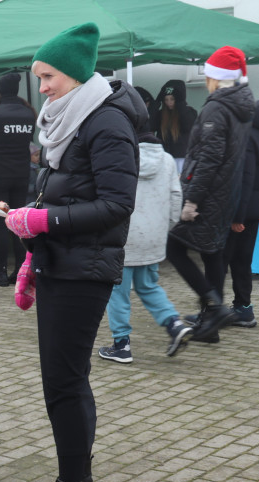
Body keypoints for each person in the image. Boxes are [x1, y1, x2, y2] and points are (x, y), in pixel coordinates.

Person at [2, 22, 144, 482]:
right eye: (38, 77)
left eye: (48, 77)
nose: (41, 88)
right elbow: (66, 194)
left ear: (77, 75)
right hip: (65, 263)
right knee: (65, 381)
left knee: (64, 384)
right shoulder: (73, 118)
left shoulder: (104, 123)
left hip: (85, 269)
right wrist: (32, 236)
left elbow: (115, 206)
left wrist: (41, 223)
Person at [166, 46, 255, 342]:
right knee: (212, 252)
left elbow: (209, 159)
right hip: (226, 195)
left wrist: (192, 200)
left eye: (208, 73)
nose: (206, 79)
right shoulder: (241, 106)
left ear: (217, 77)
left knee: (174, 248)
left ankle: (213, 307)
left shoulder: (216, 108)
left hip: (207, 196)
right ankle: (210, 323)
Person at [98, 129, 191, 362]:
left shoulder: (119, 157)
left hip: (123, 237)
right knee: (149, 287)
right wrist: (165, 229)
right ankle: (175, 324)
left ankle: (121, 345)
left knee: (117, 293)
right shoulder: (168, 160)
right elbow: (176, 197)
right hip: (154, 238)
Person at [0, 73, 37, 286]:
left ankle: (2, 273)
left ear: (0, 90)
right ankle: (19, 272)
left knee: (1, 222)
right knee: (18, 222)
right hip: (21, 174)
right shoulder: (29, 114)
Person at [222, 99, 259, 328]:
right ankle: (244, 308)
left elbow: (246, 178)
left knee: (223, 260)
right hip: (255, 211)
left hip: (242, 212)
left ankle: (215, 310)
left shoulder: (248, 136)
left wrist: (237, 217)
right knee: (243, 261)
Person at [151, 80, 197, 172]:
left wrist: (181, 103)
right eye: (166, 100)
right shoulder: (161, 114)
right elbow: (149, 125)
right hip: (164, 158)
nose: (169, 103)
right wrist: (156, 103)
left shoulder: (190, 112)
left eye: (172, 99)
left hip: (181, 159)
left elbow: (187, 125)